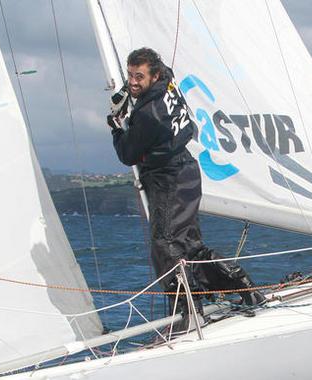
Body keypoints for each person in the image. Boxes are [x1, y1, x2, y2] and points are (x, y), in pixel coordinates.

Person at [108, 48, 264, 320]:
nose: (133, 82)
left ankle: (188, 313)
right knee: (188, 245)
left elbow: (127, 154)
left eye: (139, 77)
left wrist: (116, 126)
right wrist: (129, 91)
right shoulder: (167, 80)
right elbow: (159, 74)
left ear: (153, 75)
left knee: (166, 246)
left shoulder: (148, 113)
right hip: (187, 171)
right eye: (130, 75)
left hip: (168, 179)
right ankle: (246, 288)